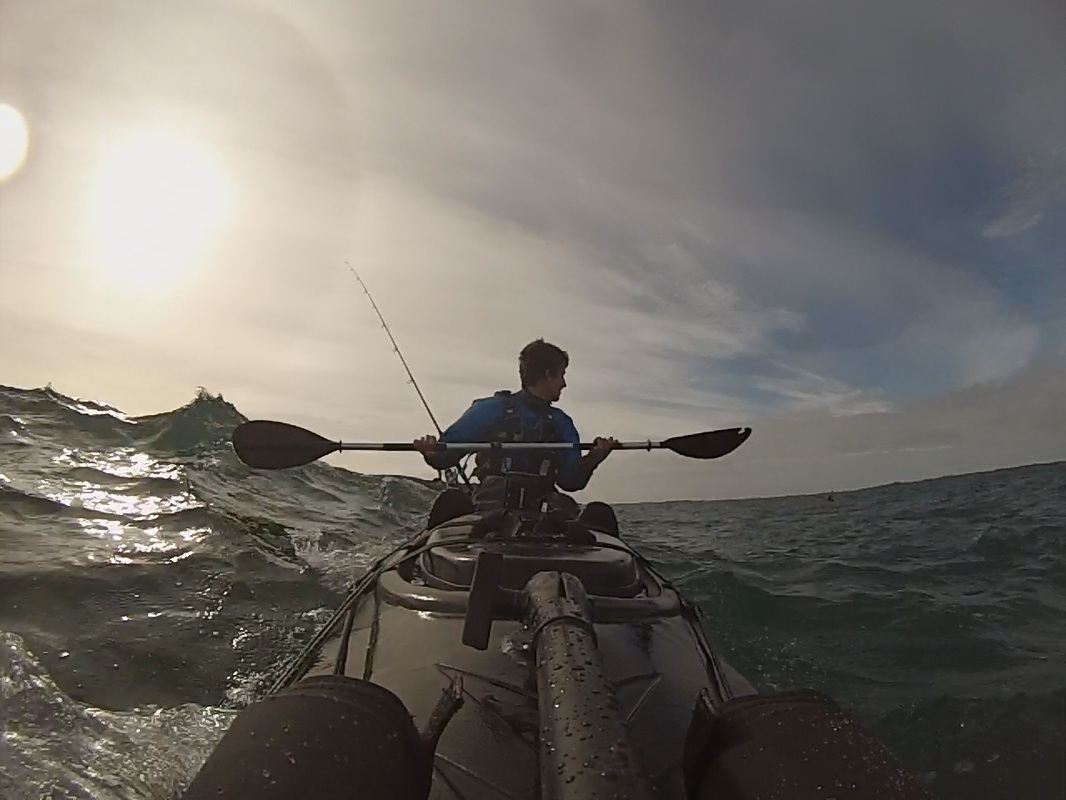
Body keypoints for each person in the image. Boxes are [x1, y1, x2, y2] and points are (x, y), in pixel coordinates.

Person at [413, 339, 617, 519]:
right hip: (489, 505)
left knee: (599, 513)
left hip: (544, 510)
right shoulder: (492, 410)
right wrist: (431, 452)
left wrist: (594, 458)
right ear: (547, 375)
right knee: (451, 501)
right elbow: (445, 457)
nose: (563, 384)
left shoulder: (561, 422)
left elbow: (571, 482)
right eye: (561, 375)